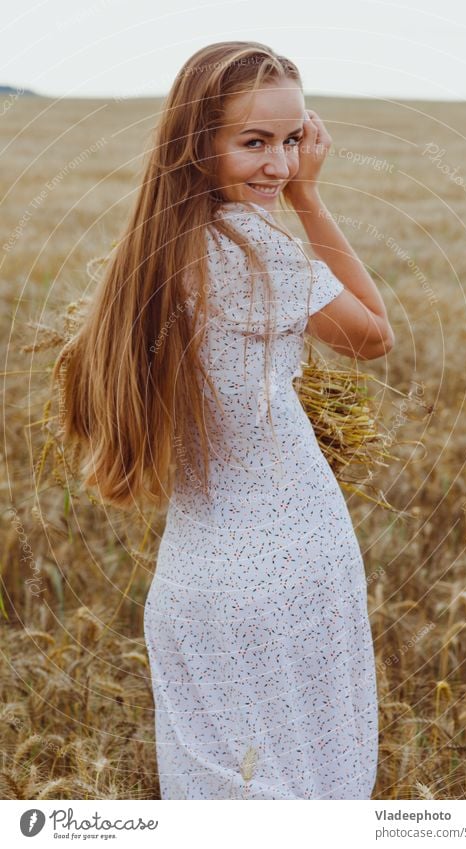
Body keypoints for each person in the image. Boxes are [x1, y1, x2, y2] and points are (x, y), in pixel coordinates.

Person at [53, 40, 394, 800]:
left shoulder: (149, 254)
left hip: (194, 582)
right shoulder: (254, 257)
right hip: (287, 570)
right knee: (307, 789)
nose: (277, 164)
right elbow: (373, 333)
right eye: (253, 142)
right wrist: (309, 195)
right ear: (194, 142)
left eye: (290, 141)